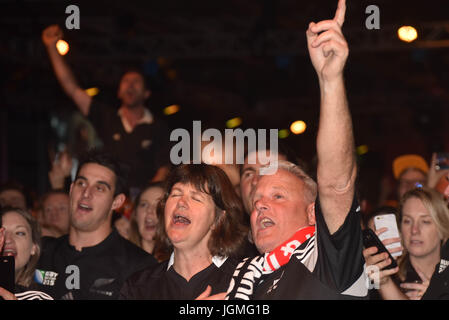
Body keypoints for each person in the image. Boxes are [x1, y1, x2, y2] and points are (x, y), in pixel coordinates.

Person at [225, 0, 367, 300]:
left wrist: (330, 80)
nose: (260, 205)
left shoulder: (329, 260)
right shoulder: (241, 276)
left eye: (278, 196)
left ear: (313, 214)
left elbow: (336, 183)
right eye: (258, 198)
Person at [41, 25, 171, 190]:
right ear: (119, 92)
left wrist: (143, 200)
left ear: (146, 93)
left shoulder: (157, 127)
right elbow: (72, 89)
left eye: (136, 82)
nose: (130, 86)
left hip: (143, 200)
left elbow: (164, 169)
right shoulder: (106, 117)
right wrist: (52, 47)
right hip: (111, 196)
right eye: (126, 82)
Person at [34, 149, 157, 300]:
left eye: (99, 188)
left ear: (116, 202)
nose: (86, 193)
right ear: (72, 190)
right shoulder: (40, 252)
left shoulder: (139, 267)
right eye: (81, 183)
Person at [119, 164, 248, 299]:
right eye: (176, 194)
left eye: (196, 198)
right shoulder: (138, 287)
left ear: (219, 219)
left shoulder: (243, 281)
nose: (181, 202)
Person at [364, 187, 449, 300]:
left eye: (425, 221)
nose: (414, 230)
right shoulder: (385, 273)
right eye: (407, 221)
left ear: (442, 228)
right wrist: (380, 281)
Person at [0, 207, 53, 300]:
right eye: (1, 233)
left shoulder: (41, 287)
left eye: (19, 233)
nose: (7, 239)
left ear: (34, 247)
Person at [128, 182, 170, 261]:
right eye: (144, 204)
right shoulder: (120, 257)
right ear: (135, 215)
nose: (149, 211)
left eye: (158, 205)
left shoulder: (177, 263)